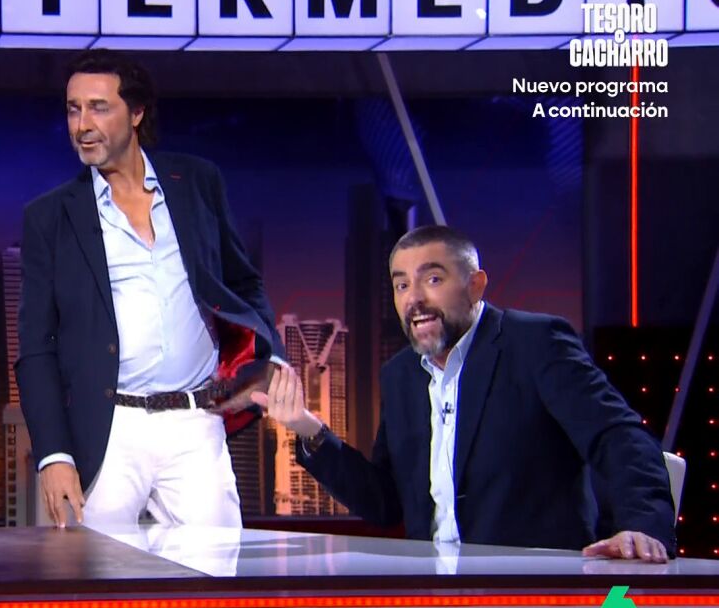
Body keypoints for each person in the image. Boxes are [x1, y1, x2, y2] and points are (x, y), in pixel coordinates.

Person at [16, 50, 284, 608]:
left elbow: (243, 282)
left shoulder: (197, 183)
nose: (82, 124)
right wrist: (54, 455)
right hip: (108, 427)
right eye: (72, 110)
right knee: (93, 600)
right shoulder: (50, 217)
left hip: (195, 421)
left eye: (98, 108)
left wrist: (262, 360)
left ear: (136, 113)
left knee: (225, 588)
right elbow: (35, 347)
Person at [253, 224, 676, 560]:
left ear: (475, 285)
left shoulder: (535, 343)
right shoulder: (401, 375)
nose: (414, 299)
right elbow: (386, 502)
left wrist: (642, 525)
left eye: (432, 279)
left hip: (535, 594)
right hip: (438, 600)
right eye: (401, 285)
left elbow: (618, 436)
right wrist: (308, 429)